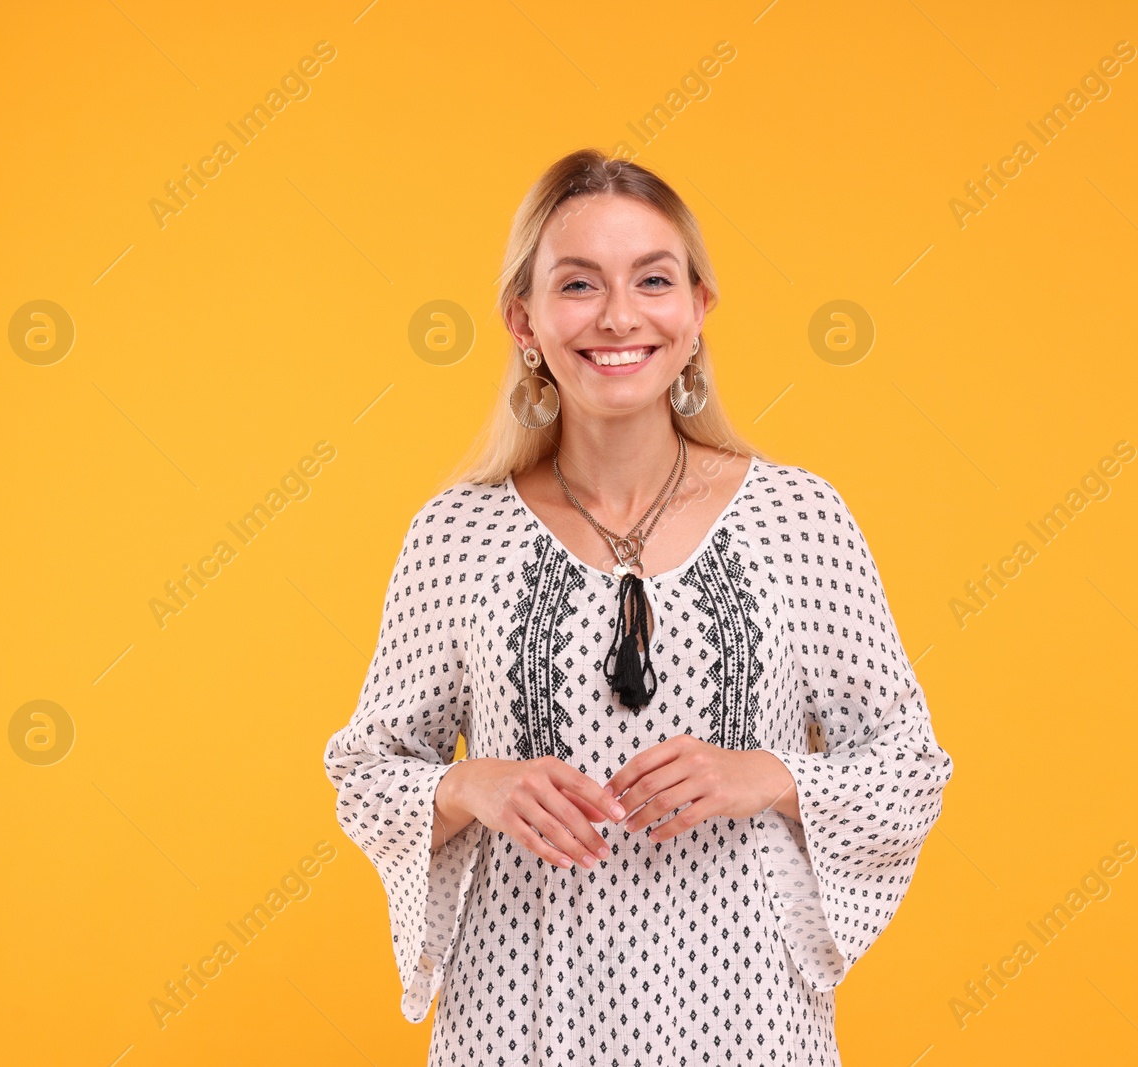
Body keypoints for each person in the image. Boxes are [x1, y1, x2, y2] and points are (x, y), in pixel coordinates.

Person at [323, 148, 954, 1065]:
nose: (619, 316)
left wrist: (770, 774)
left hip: (748, 1019)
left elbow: (909, 763)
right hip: (521, 1010)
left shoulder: (799, 518)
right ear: (523, 319)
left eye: (652, 280)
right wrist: (470, 784)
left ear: (697, 311)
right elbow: (366, 768)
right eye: (578, 284)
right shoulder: (456, 533)